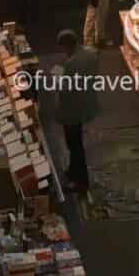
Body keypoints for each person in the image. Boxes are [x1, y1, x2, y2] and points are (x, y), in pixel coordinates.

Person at [53, 29, 99, 194]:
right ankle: (73, 170)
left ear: (67, 45)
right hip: (86, 103)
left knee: (75, 145)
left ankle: (81, 181)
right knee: (75, 143)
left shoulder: (72, 63)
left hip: (72, 109)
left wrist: (57, 75)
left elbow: (64, 89)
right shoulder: (90, 54)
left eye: (62, 47)